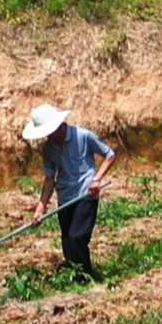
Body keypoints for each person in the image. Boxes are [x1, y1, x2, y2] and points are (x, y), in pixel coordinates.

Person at [24, 103, 116, 281]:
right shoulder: (48, 149)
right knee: (67, 242)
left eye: (50, 132)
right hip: (65, 198)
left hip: (85, 194)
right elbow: (50, 180)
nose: (49, 136)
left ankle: (87, 278)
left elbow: (109, 155)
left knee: (77, 237)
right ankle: (74, 277)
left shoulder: (83, 136)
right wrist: (40, 208)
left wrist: (96, 180)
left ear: (59, 125)